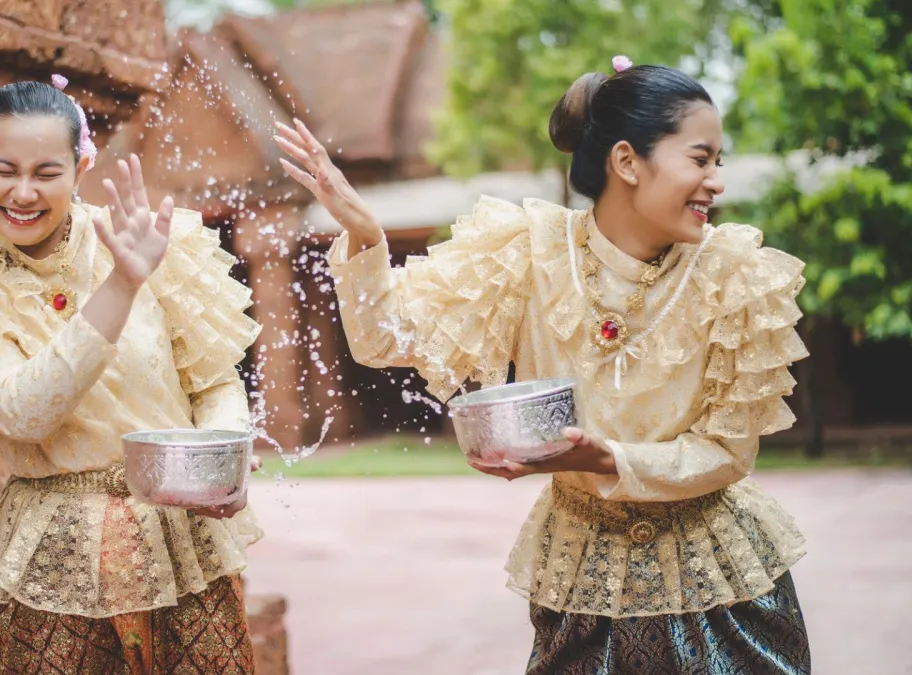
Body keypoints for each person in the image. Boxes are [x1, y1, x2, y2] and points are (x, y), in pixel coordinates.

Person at [277, 57, 811, 674]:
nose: (716, 180)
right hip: (583, 587)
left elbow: (727, 451)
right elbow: (386, 340)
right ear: (627, 162)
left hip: (725, 593)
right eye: (700, 158)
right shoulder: (527, 251)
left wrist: (609, 460)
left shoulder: (738, 273)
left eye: (720, 161)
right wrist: (367, 236)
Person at [0, 76, 263, 674]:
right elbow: (21, 413)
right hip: (52, 552)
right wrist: (122, 285)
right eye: (3, 169)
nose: (23, 193)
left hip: (180, 538)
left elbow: (213, 382)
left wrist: (223, 457)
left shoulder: (153, 240)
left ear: (81, 164)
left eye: (47, 172)